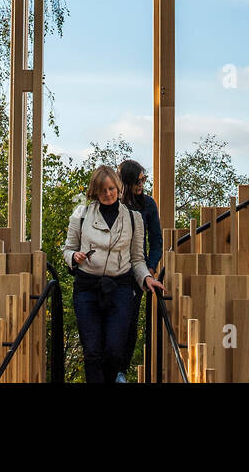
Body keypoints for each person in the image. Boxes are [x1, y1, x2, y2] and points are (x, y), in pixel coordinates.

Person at [62, 165, 165, 383]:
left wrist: (147, 278)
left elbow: (137, 259)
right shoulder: (81, 215)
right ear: (95, 192)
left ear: (118, 188)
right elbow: (68, 249)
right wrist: (74, 257)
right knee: (92, 351)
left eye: (111, 189)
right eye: (102, 190)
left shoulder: (134, 219)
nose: (108, 194)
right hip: (88, 288)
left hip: (120, 288)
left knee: (114, 350)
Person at [116, 158, 163, 382]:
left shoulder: (148, 205)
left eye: (144, 179)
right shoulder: (113, 202)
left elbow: (156, 240)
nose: (142, 184)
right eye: (138, 180)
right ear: (127, 182)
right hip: (113, 271)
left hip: (137, 271)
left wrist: (150, 269)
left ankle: (121, 370)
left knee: (130, 323)